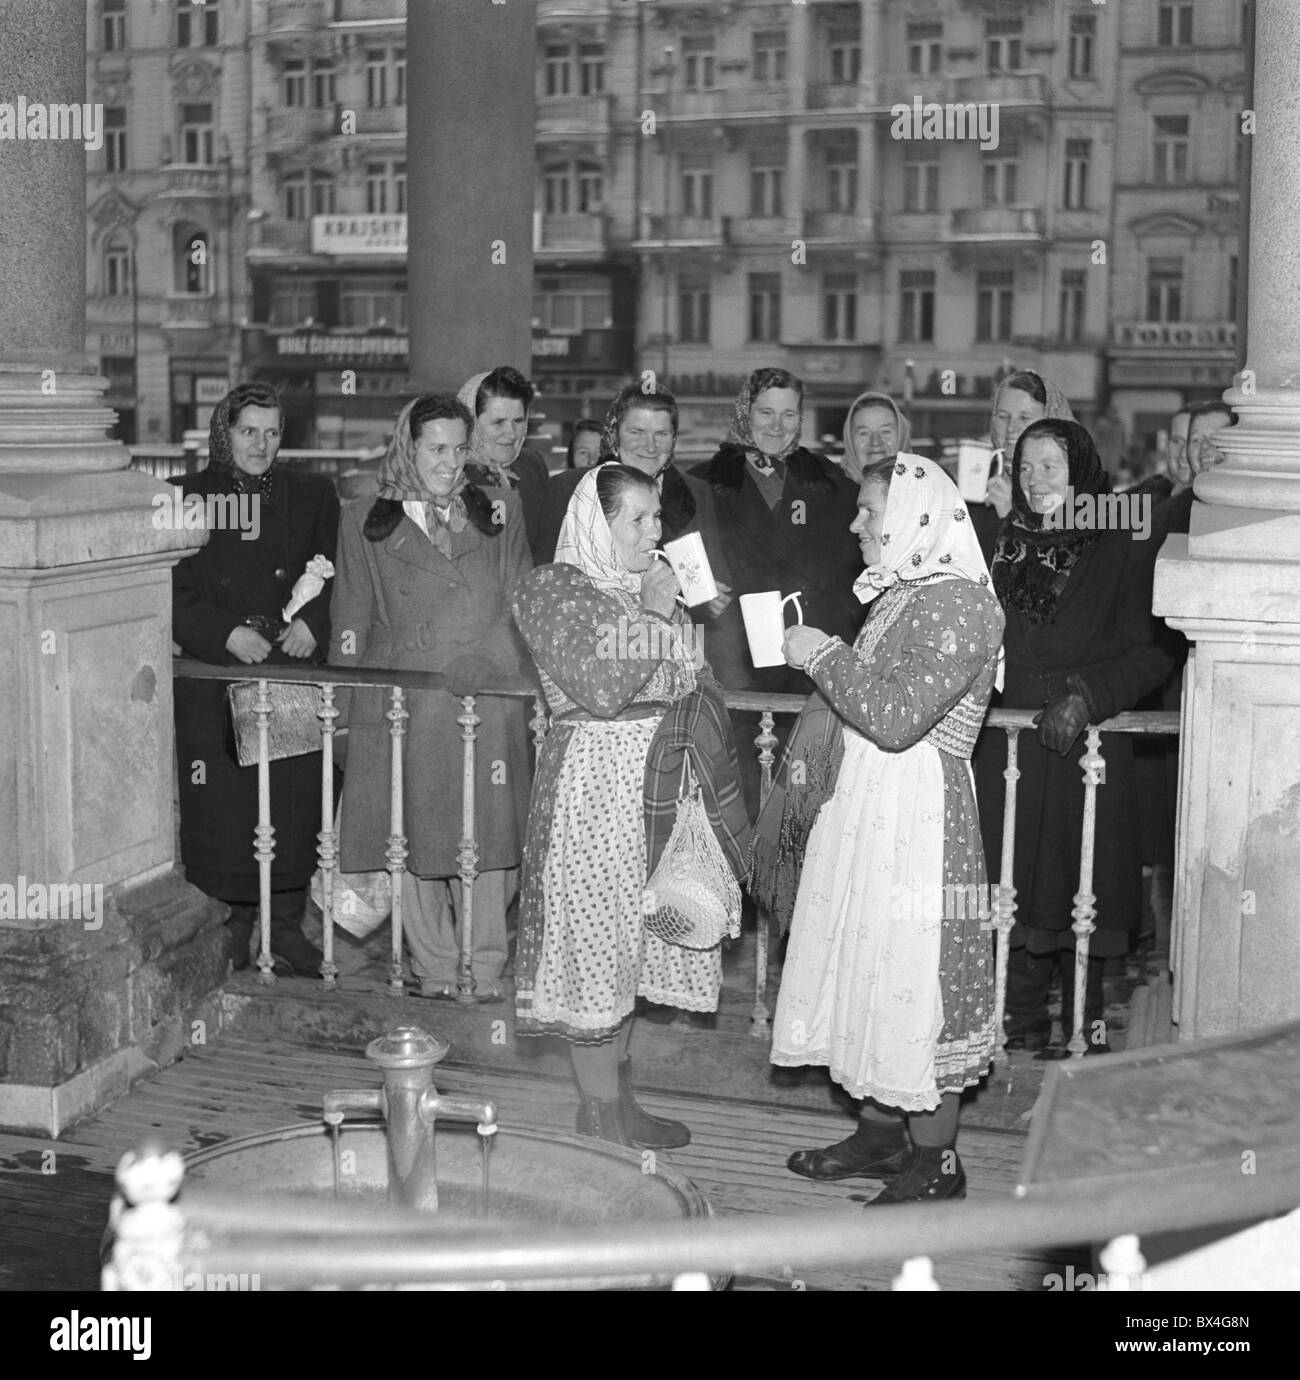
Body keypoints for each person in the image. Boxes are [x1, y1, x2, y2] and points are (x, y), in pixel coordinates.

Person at [763, 457, 1004, 1203]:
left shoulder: (962, 603)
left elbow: (898, 719)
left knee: (913, 975)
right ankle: (877, 1135)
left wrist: (823, 653)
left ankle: (934, 1163)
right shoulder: (904, 593)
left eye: (871, 511)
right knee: (864, 965)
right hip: (870, 805)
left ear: (919, 517)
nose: (855, 524)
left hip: (919, 816)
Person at [512, 465, 749, 1146]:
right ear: (596, 521)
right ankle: (596, 1118)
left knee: (635, 946)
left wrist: (690, 618)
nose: (656, 531)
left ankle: (619, 1102)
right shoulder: (549, 589)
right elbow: (603, 688)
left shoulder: (651, 592)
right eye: (638, 519)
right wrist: (650, 612)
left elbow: (689, 680)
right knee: (596, 945)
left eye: (657, 518)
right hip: (594, 790)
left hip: (657, 789)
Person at [973, 419, 1176, 1057]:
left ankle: (1085, 1022)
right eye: (1026, 467)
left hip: (1084, 741)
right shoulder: (1006, 541)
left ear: (1082, 473)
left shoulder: (1116, 544)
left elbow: (1154, 652)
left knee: (1076, 875)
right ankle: (1021, 1019)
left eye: (1051, 468)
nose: (1036, 482)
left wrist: (1086, 695)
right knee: (1018, 876)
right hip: (1011, 742)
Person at [329, 394, 533, 1002]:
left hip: (485, 696)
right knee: (411, 839)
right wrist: (343, 722)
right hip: (403, 700)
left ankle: (488, 967)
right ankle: (438, 971)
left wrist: (489, 656)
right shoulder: (366, 518)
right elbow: (351, 620)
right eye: (435, 449)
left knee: (491, 839)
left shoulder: (499, 510)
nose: (449, 463)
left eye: (459, 448)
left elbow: (520, 600)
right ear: (407, 448)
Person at [171, 382, 339, 976]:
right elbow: (172, 589)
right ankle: (230, 931)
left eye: (272, 433)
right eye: (249, 431)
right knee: (225, 814)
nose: (261, 445)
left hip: (286, 674)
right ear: (225, 432)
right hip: (217, 678)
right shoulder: (184, 497)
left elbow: (335, 571)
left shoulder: (312, 494)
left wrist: (314, 624)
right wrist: (222, 634)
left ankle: (287, 931)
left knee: (290, 808)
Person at [691, 368, 863, 813]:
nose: (776, 425)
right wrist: (699, 593)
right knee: (740, 797)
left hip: (807, 667)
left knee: (804, 803)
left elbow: (858, 570)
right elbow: (676, 562)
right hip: (734, 665)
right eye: (766, 411)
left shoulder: (834, 485)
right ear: (745, 412)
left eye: (789, 413)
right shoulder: (701, 483)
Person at [537, 385, 731, 614]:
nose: (650, 446)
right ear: (614, 433)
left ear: (674, 438)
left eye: (661, 434)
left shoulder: (696, 492)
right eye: (636, 432)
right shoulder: (570, 490)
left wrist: (708, 600)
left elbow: (716, 580)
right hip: (592, 637)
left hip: (677, 641)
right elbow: (546, 586)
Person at [970, 369, 1076, 562]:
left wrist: (1013, 516)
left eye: (1024, 418)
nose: (1011, 427)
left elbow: (1065, 570)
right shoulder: (978, 476)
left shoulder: (1071, 484)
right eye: (1003, 416)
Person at [457, 366, 551, 562]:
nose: (511, 433)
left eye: (518, 421)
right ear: (470, 422)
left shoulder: (531, 464)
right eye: (498, 422)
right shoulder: (453, 475)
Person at [838, 390, 913, 482]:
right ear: (849, 442)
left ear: (902, 438)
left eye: (886, 431)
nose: (875, 442)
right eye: (864, 433)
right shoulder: (830, 493)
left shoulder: (925, 491)